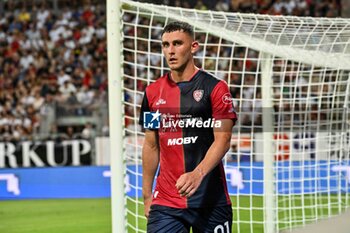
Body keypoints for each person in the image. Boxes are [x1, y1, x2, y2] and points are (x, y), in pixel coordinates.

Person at [139, 21, 237, 233]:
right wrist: (147, 195)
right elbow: (151, 145)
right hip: (166, 203)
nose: (170, 51)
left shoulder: (215, 89)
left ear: (194, 46)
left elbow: (224, 139)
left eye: (177, 43)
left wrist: (197, 173)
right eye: (165, 45)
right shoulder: (153, 94)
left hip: (211, 200)